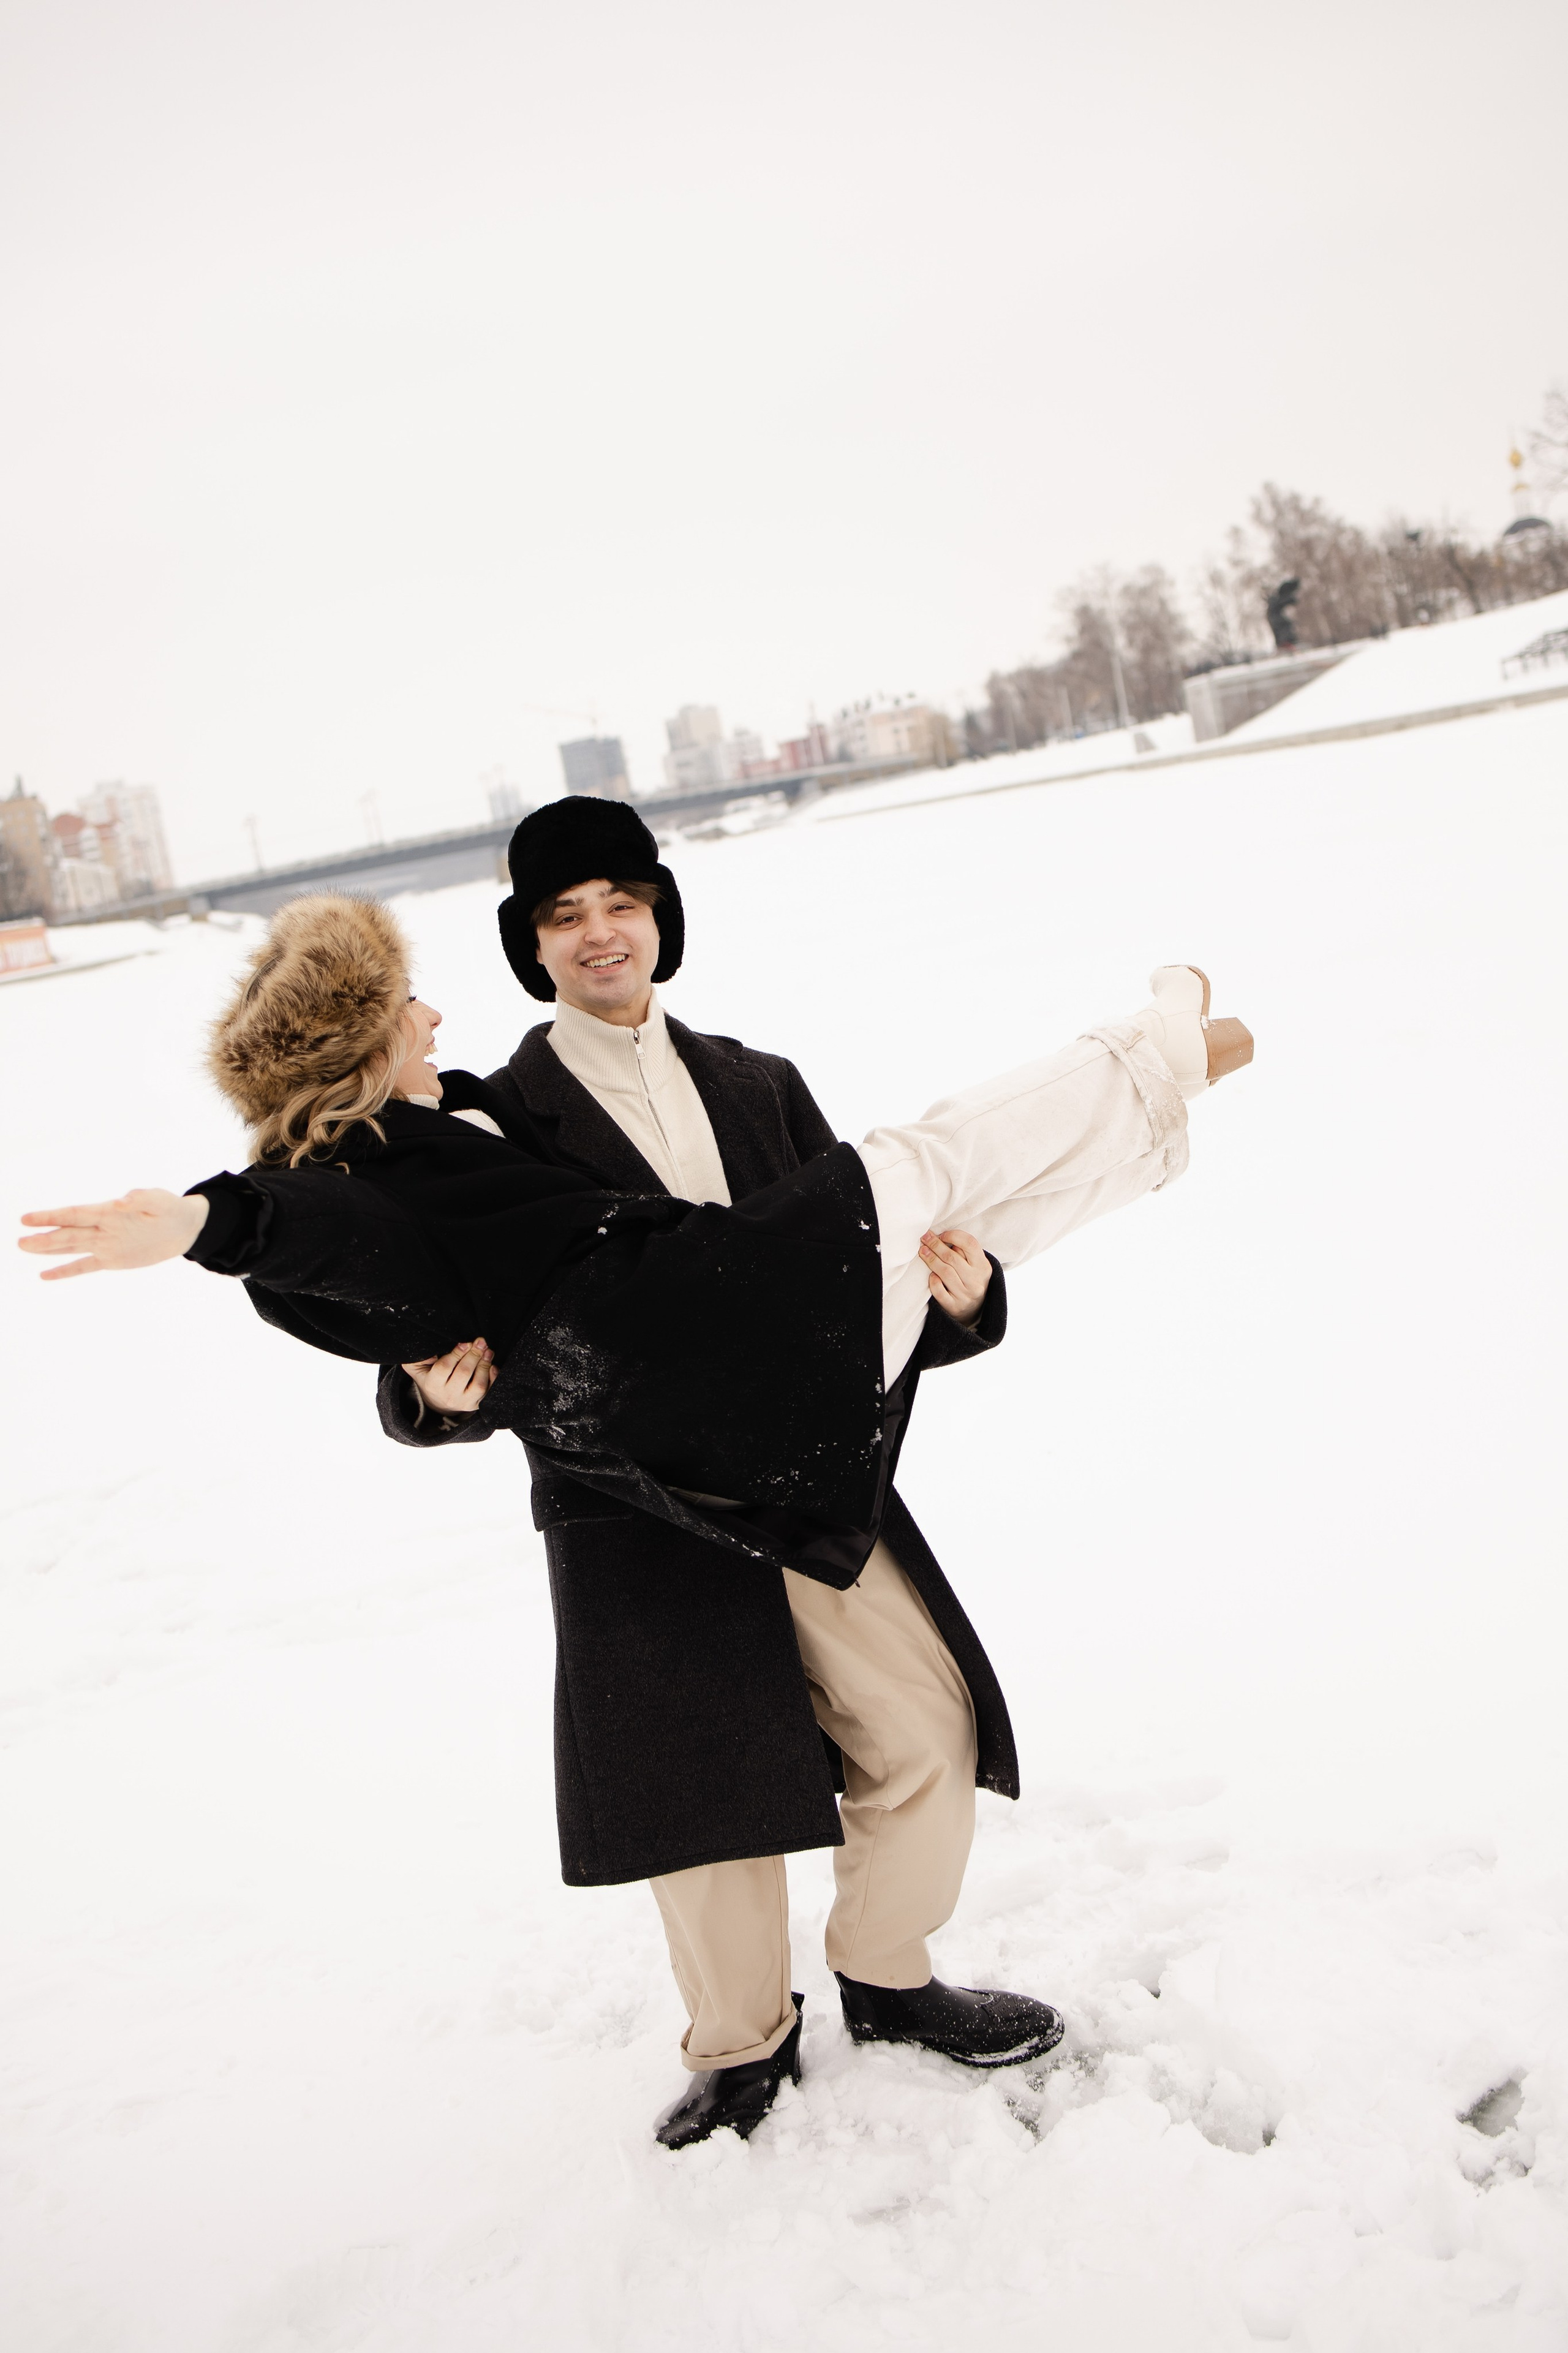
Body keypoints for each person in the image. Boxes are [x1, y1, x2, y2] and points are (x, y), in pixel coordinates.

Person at [18, 844, 1253, 2149]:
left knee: (924, 1720)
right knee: (701, 1791)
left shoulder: (758, 1084)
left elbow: (881, 1288)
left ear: (661, 917)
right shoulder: (489, 1111)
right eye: (566, 917)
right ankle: (740, 2050)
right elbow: (357, 1257)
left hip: (793, 1440)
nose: (600, 934)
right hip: (636, 1498)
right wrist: (238, 1240)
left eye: (622, 904)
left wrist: (963, 1300)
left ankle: (886, 1974)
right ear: (531, 947)